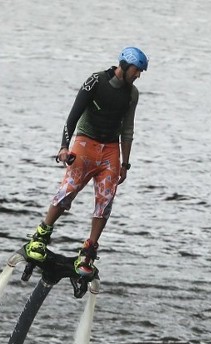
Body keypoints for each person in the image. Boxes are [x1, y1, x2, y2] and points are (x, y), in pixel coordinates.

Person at [24, 46, 148, 276]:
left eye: (140, 72)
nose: (138, 75)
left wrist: (125, 164)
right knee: (68, 190)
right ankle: (39, 237)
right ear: (124, 65)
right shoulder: (96, 81)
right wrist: (63, 147)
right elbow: (72, 116)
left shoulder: (132, 94)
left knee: (105, 201)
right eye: (137, 70)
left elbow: (128, 130)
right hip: (85, 142)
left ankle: (88, 251)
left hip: (111, 150)